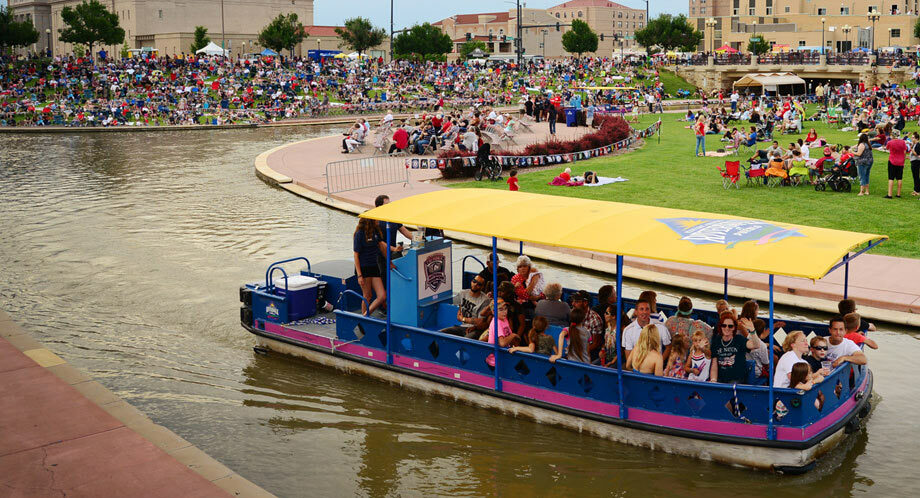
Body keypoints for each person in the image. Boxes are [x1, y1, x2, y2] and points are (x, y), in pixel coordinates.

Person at [353, 217, 388, 316]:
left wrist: (389, 262)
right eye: (376, 219)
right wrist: (359, 275)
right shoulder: (360, 234)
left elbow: (382, 246)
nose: (378, 220)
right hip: (364, 268)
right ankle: (364, 319)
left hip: (374, 266)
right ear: (370, 221)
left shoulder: (376, 231)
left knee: (382, 296)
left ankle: (364, 317)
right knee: (367, 296)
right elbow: (356, 255)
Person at [709, 312, 757, 384]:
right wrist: (713, 380)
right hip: (721, 379)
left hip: (736, 380)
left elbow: (756, 345)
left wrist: (752, 331)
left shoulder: (739, 339)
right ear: (720, 327)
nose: (727, 328)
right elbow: (714, 364)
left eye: (730, 326)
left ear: (734, 327)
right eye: (724, 325)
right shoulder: (716, 341)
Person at [570, 290, 604, 362]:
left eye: (576, 302)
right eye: (573, 301)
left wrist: (580, 351)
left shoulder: (595, 319)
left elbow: (596, 343)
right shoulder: (572, 313)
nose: (573, 304)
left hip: (589, 351)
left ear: (585, 303)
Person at [885, 129, 907, 198]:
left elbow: (887, 148)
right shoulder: (903, 142)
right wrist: (903, 160)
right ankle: (898, 194)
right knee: (899, 178)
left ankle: (890, 194)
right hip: (900, 161)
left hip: (892, 160)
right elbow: (905, 151)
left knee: (891, 178)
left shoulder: (890, 142)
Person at [910, 131, 920, 196]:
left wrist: (911, 149)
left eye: (913, 138)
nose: (912, 139)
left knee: (916, 176)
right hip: (913, 161)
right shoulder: (914, 144)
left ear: (916, 138)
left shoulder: (918, 145)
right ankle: (915, 189)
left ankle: (917, 191)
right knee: (915, 176)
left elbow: (917, 154)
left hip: (916, 162)